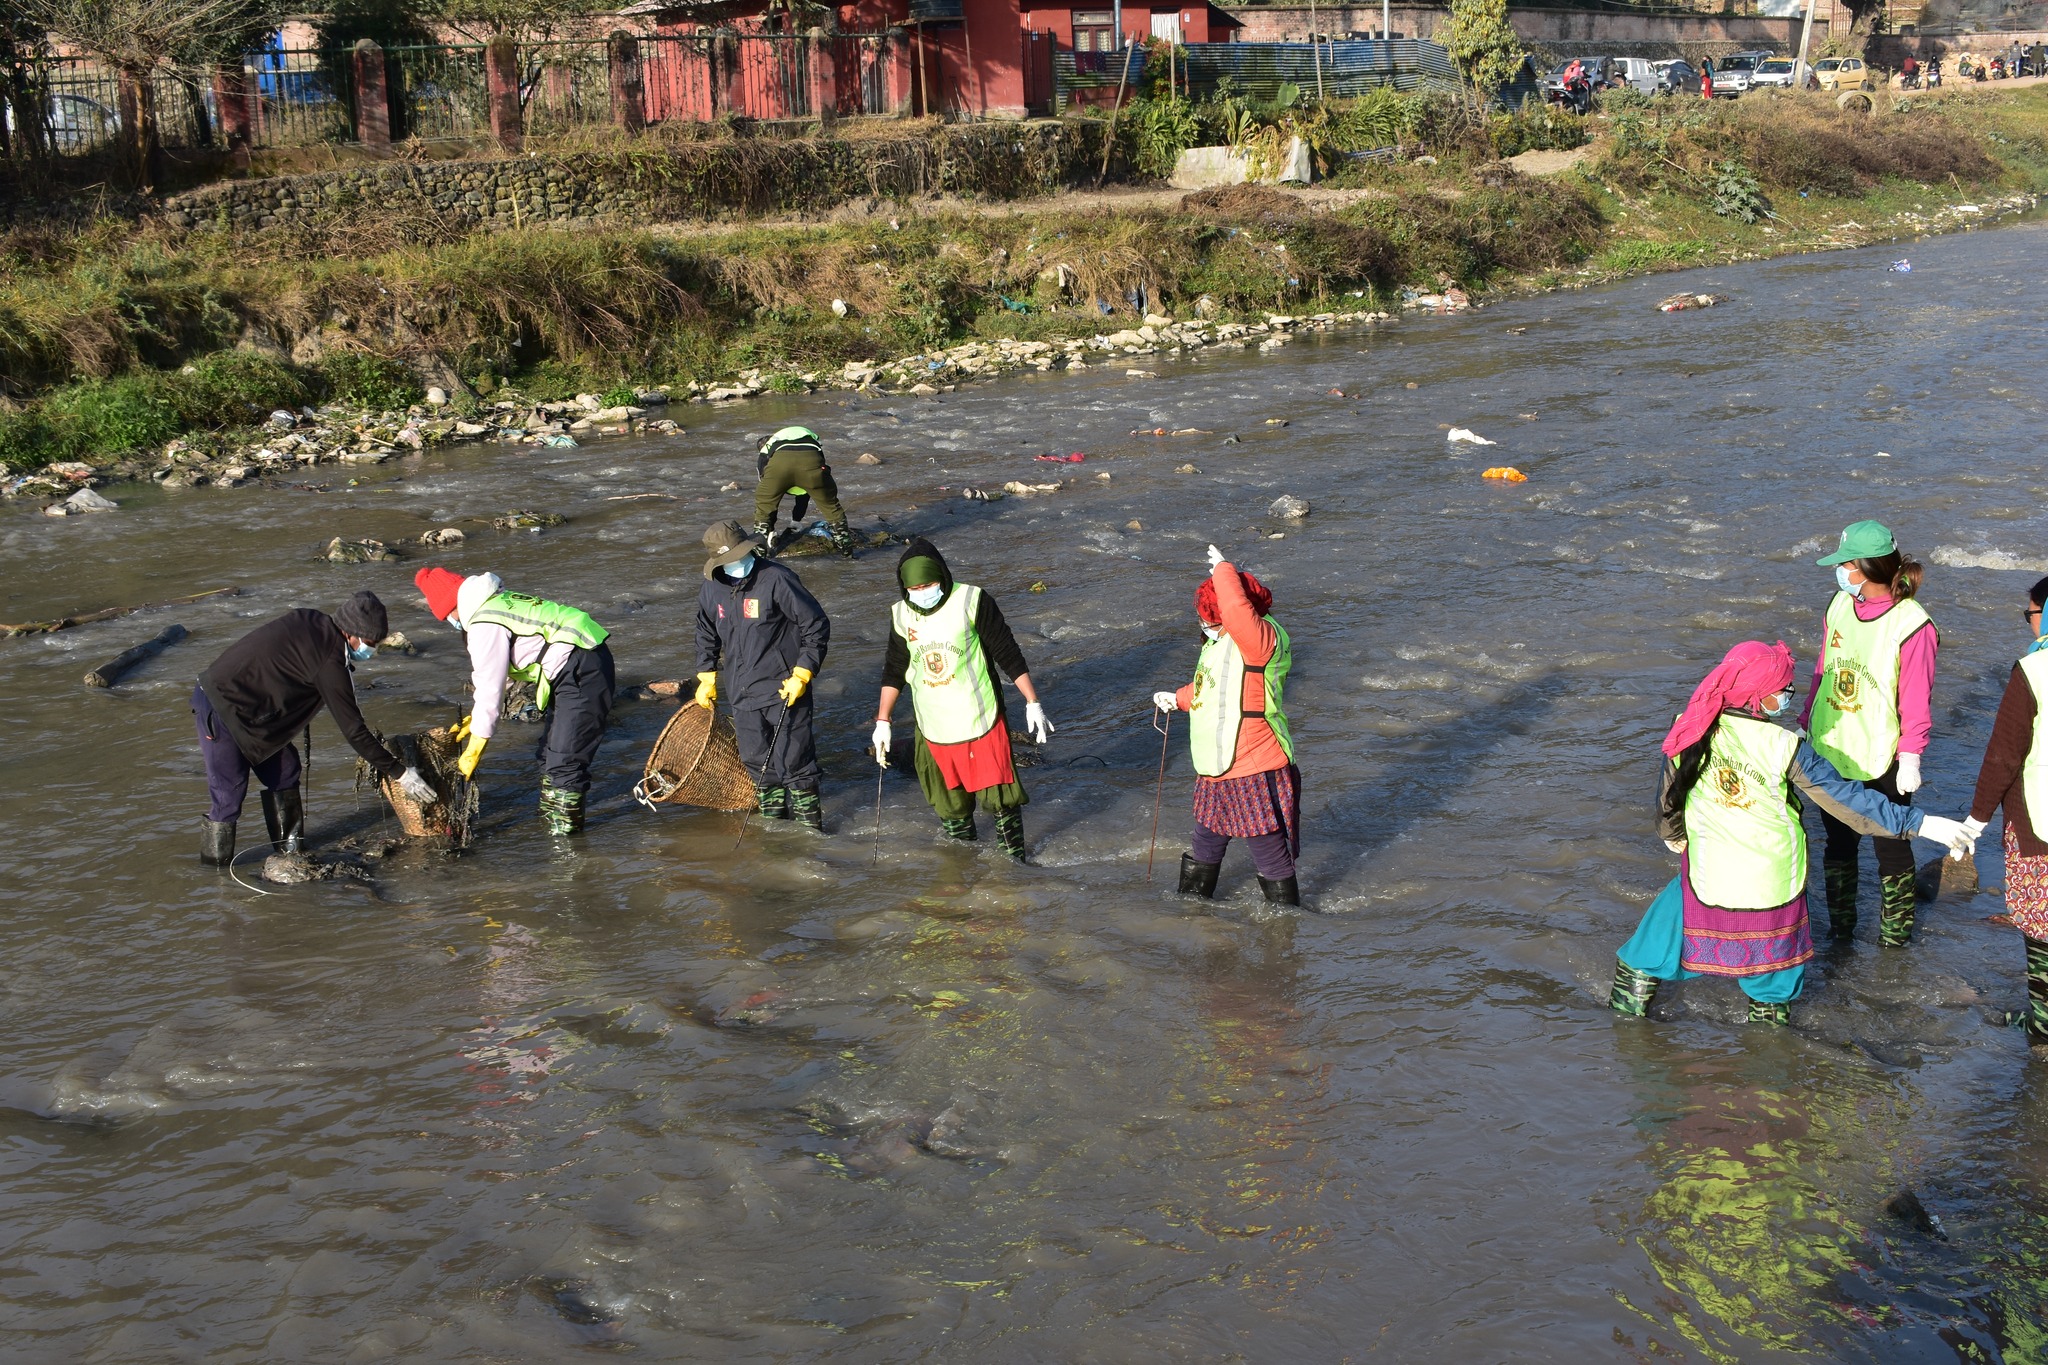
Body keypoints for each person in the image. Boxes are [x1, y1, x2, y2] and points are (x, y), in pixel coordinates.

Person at [1611, 641, 1973, 1027]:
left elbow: (1669, 794)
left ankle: (1622, 1029)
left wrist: (1673, 833)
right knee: (1774, 980)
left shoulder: (1689, 727)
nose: (1787, 698)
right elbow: (1848, 802)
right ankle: (1767, 1059)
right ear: (1757, 696)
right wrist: (1919, 823)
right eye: (1784, 691)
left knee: (1650, 948)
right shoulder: (1783, 746)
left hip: (1706, 873)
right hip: (1773, 883)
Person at [193, 592, 435, 866]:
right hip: (218, 703)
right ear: (350, 634)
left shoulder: (311, 618)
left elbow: (285, 664)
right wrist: (400, 773)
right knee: (229, 796)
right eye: (370, 643)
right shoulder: (330, 664)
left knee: (285, 770)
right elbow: (355, 732)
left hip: (257, 712)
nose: (372, 650)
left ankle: (291, 855)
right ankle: (216, 875)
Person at [871, 537, 1053, 862]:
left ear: (942, 577)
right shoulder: (900, 615)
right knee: (949, 803)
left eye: (928, 584)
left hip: (979, 717)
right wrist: (882, 721)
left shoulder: (971, 600)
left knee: (1001, 798)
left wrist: (1032, 701)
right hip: (932, 726)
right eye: (914, 588)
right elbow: (894, 669)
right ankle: (964, 870)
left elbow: (1007, 653)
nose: (922, 592)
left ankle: (1015, 867)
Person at [1801, 520, 1938, 948]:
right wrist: (1806, 721)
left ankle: (1895, 943)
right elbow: (1823, 670)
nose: (1839, 572)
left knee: (1891, 848)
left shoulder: (1913, 624)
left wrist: (1911, 755)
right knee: (1838, 845)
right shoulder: (1839, 605)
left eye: (1844, 564)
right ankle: (1841, 934)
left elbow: (1916, 697)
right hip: (1833, 745)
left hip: (1883, 753)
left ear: (1864, 568)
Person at [414, 566, 614, 837]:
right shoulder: (496, 601)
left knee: (565, 762)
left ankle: (566, 850)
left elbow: (489, 686)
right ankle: (551, 823)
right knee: (548, 754)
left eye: (448, 615)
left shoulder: (484, 623)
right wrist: (475, 718)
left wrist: (477, 743)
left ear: (453, 606)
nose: (451, 622)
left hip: (581, 667)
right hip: (580, 659)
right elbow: (502, 671)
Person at [1153, 544, 1302, 906]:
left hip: (1254, 761)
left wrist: (1223, 569)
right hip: (1217, 765)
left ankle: (1285, 927)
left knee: (1266, 846)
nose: (1202, 622)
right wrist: (1179, 698)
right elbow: (1217, 686)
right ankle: (1192, 912)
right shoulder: (1221, 642)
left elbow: (1235, 611)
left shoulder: (1260, 638)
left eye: (1206, 614)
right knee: (1206, 837)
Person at [694, 520, 832, 830]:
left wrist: (803, 672)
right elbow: (705, 631)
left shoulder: (777, 579)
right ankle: (777, 834)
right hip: (741, 693)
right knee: (757, 761)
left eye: (739, 555)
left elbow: (816, 626)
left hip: (784, 688)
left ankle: (811, 834)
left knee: (795, 762)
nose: (735, 564)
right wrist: (706, 674)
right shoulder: (712, 588)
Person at [1961, 576, 2048, 1048]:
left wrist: (1977, 818)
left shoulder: (2035, 670)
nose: (2029, 622)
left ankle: (2043, 1024)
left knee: (2040, 924)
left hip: (2040, 822)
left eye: (2032, 612)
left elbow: (2004, 755)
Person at [752, 426, 856, 558]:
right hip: (811, 464)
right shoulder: (807, 437)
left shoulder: (767, 448)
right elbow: (820, 461)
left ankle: (758, 558)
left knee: (763, 510)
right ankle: (848, 554)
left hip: (778, 470)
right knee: (832, 509)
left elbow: (765, 485)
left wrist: (771, 528)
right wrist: (797, 519)